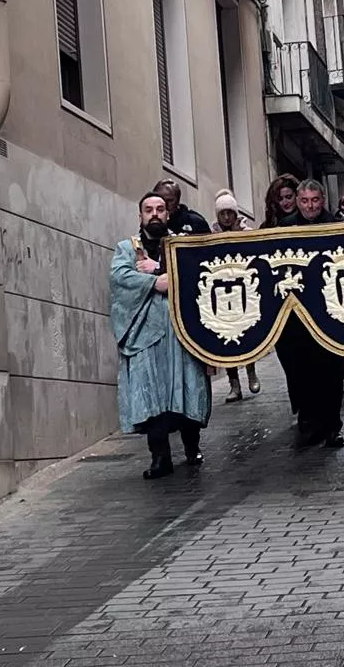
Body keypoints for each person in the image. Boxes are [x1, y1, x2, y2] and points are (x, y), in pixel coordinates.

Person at [110, 192, 212, 479]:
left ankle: (193, 447)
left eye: (160, 209)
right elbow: (120, 280)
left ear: (169, 214)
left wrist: (166, 271)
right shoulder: (125, 249)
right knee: (151, 397)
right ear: (140, 215)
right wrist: (155, 282)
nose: (154, 214)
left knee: (188, 388)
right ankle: (160, 457)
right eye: (148, 209)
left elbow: (199, 273)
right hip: (145, 338)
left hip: (183, 334)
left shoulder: (183, 245)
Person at [277, 179, 344, 447]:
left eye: (315, 200)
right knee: (298, 370)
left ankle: (332, 426)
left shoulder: (336, 224)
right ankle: (308, 422)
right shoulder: (284, 228)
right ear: (297, 201)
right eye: (304, 201)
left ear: (322, 200)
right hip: (294, 315)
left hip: (329, 311)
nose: (310, 206)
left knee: (330, 371)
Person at [213, 189, 262, 402]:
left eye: (229, 213)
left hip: (244, 288)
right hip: (222, 290)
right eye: (222, 213)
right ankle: (234, 383)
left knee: (247, 333)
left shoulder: (246, 231)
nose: (226, 217)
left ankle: (251, 371)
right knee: (227, 337)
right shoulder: (212, 233)